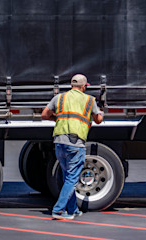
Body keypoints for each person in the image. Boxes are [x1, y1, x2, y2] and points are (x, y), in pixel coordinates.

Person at [42, 74, 104, 220]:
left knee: (68, 177)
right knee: (71, 179)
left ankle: (72, 210)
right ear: (83, 86)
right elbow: (98, 120)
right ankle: (58, 210)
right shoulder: (89, 100)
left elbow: (44, 115)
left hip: (59, 142)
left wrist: (57, 118)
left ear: (71, 85)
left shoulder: (60, 98)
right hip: (75, 144)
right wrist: (101, 113)